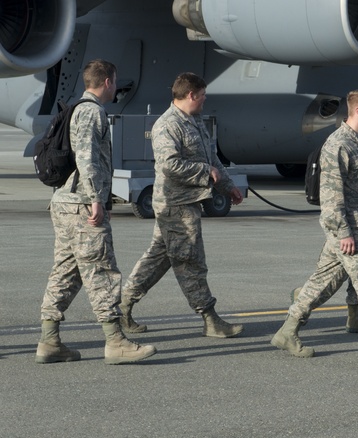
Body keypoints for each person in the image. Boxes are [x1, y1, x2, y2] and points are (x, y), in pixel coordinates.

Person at [270, 89, 358, 363]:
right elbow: (331, 196)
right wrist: (343, 233)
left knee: (323, 282)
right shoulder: (338, 145)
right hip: (350, 228)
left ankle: (287, 332)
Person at [37, 59, 156, 365]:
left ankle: (49, 341)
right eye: (114, 81)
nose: (116, 87)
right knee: (101, 269)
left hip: (65, 202)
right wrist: (96, 201)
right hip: (80, 205)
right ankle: (115, 342)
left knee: (66, 271)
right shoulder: (91, 112)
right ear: (106, 82)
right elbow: (87, 158)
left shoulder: (77, 108)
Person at [119, 72, 245, 338]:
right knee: (190, 261)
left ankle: (122, 306)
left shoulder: (195, 121)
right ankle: (210, 319)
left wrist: (227, 185)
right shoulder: (167, 125)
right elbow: (169, 164)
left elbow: (212, 158)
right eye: (202, 95)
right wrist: (204, 171)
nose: (204, 100)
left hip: (189, 201)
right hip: (175, 204)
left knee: (157, 259)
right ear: (191, 95)